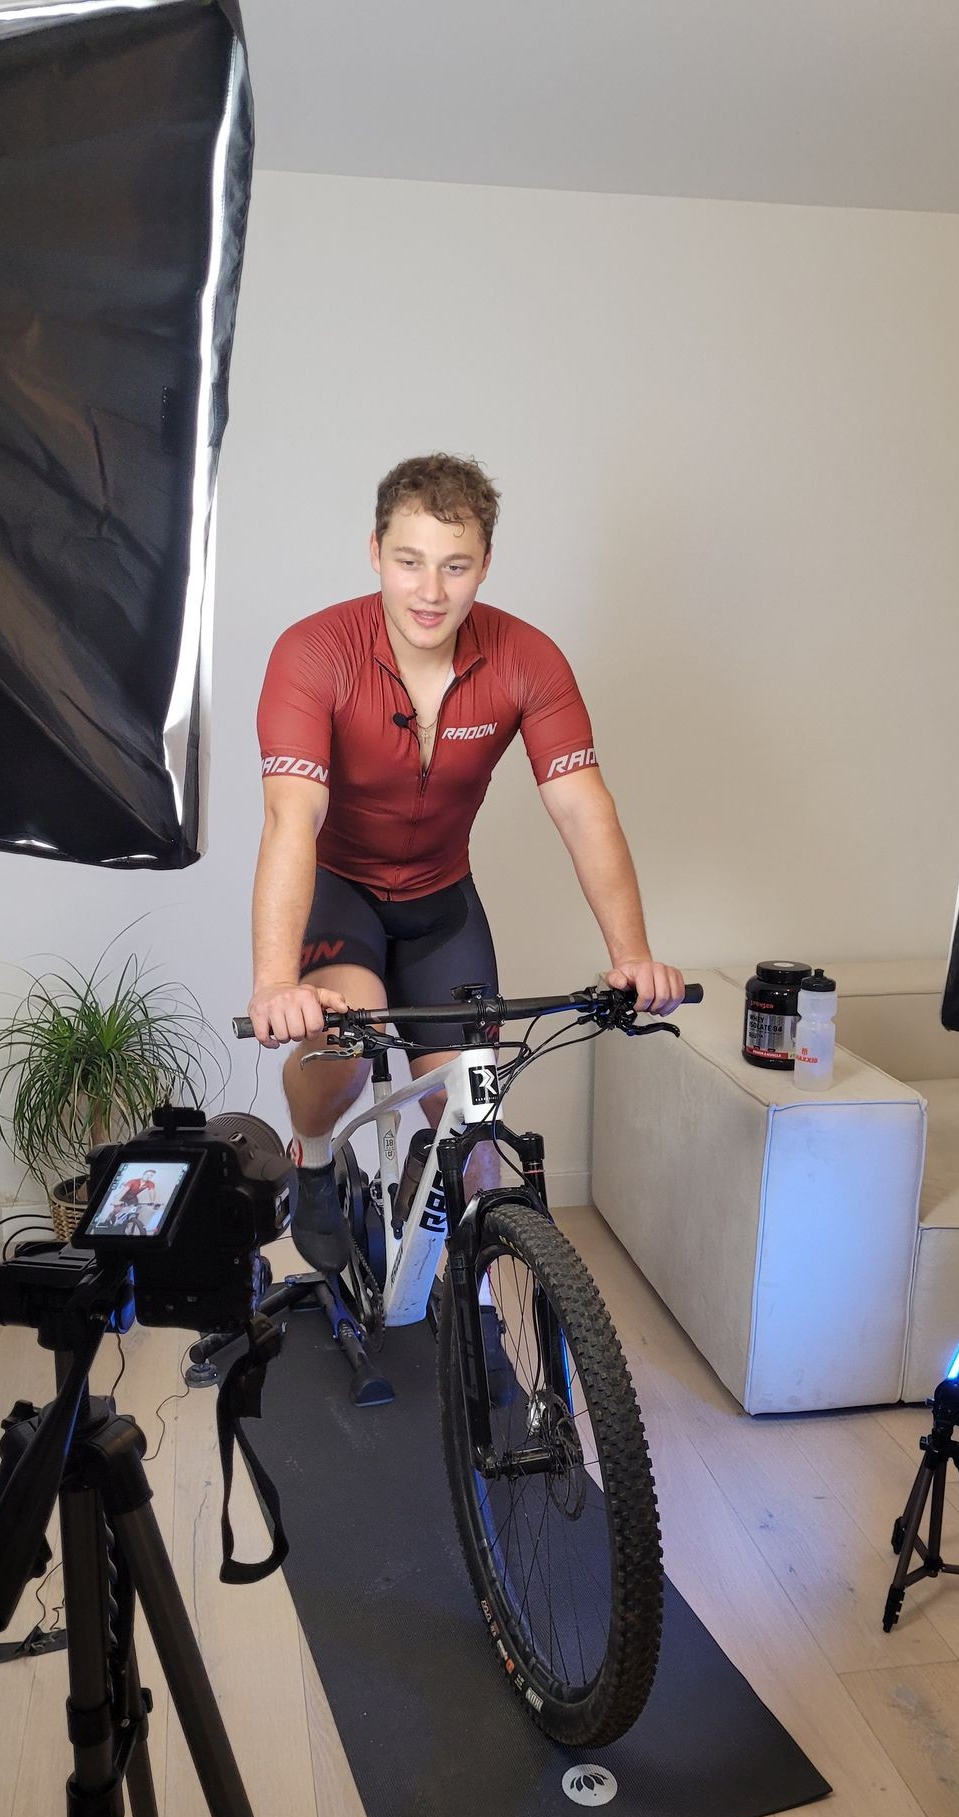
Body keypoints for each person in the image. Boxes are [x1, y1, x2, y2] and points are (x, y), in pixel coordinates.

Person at [248, 452, 683, 1272]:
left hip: (443, 902)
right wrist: (276, 980)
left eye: (455, 567)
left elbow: (582, 806)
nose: (430, 592)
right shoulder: (313, 653)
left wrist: (632, 958)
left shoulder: (527, 659)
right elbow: (289, 818)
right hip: (338, 892)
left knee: (474, 1133)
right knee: (348, 1044)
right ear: (375, 551)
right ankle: (311, 1156)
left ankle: (480, 1317)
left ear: (485, 563)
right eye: (409, 562)